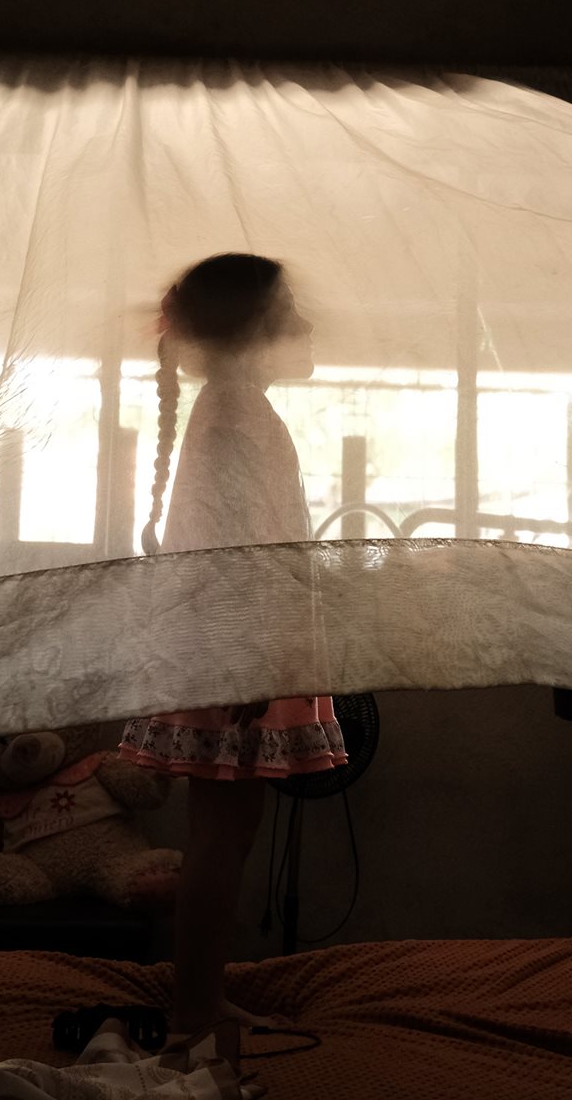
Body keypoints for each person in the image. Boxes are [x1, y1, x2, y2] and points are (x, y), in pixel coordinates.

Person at [118, 253, 349, 1043]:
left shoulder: (240, 410)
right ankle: (193, 1010)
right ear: (254, 329)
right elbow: (231, 551)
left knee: (230, 831)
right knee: (222, 834)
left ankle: (203, 1000)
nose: (308, 325)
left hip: (238, 647)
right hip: (233, 652)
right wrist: (247, 656)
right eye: (291, 311)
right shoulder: (234, 417)